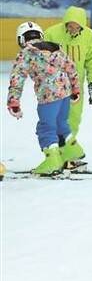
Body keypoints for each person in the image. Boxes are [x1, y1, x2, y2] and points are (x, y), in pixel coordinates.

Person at [6, 21, 80, 175]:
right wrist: (75, 89)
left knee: (46, 128)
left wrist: (14, 101)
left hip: (48, 96)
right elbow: (71, 67)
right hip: (65, 93)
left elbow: (17, 78)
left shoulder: (26, 53)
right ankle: (73, 153)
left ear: (21, 39)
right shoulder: (54, 48)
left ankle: (52, 161)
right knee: (61, 123)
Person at [45, 6, 92, 165]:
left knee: (73, 119)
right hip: (55, 86)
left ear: (82, 26)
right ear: (65, 23)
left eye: (77, 27)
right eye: (70, 26)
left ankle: (66, 153)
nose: (73, 29)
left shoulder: (89, 36)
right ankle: (57, 153)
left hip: (76, 87)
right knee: (55, 119)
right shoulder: (52, 33)